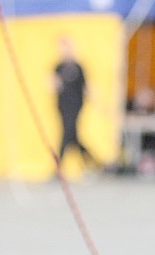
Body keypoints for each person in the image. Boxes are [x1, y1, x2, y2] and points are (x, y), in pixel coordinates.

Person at [52, 36, 96, 169]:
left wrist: (96, 102)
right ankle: (92, 160)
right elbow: (53, 85)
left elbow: (85, 86)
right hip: (63, 105)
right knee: (72, 136)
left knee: (67, 133)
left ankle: (58, 166)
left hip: (75, 104)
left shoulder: (78, 67)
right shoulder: (58, 67)